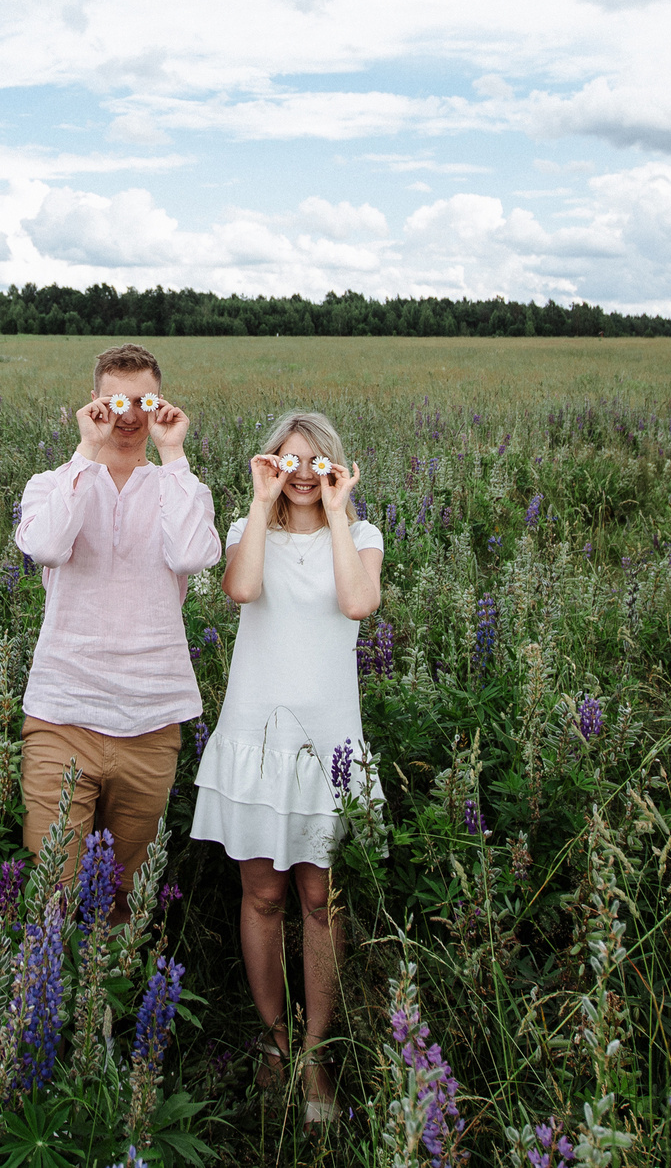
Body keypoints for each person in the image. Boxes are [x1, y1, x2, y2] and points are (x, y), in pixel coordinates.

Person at [191, 408, 382, 1124]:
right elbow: (240, 590)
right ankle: (273, 1039)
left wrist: (335, 513)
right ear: (270, 463)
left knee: (320, 900)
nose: (302, 472)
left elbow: (358, 602)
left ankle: (315, 1054)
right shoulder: (249, 531)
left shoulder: (361, 536)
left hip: (329, 745)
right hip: (258, 739)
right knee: (264, 896)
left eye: (316, 460)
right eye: (288, 459)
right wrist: (259, 498)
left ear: (335, 467)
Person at [11, 343, 221, 910]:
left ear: (161, 405)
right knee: (51, 894)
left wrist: (173, 454)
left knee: (126, 897)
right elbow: (47, 546)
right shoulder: (51, 483)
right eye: (114, 402)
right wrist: (87, 451)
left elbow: (193, 555)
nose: (128, 415)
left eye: (143, 402)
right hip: (62, 713)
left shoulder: (182, 487)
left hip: (151, 717)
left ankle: (110, 974)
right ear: (93, 403)